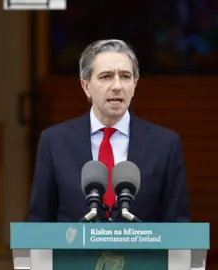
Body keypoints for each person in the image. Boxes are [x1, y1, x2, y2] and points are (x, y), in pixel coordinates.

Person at [26, 39, 190, 223]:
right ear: (86, 86)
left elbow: (178, 225)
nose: (117, 86)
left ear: (135, 86)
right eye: (106, 77)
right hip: (75, 251)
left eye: (126, 77)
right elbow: (38, 221)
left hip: (141, 252)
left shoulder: (165, 144)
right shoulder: (54, 142)